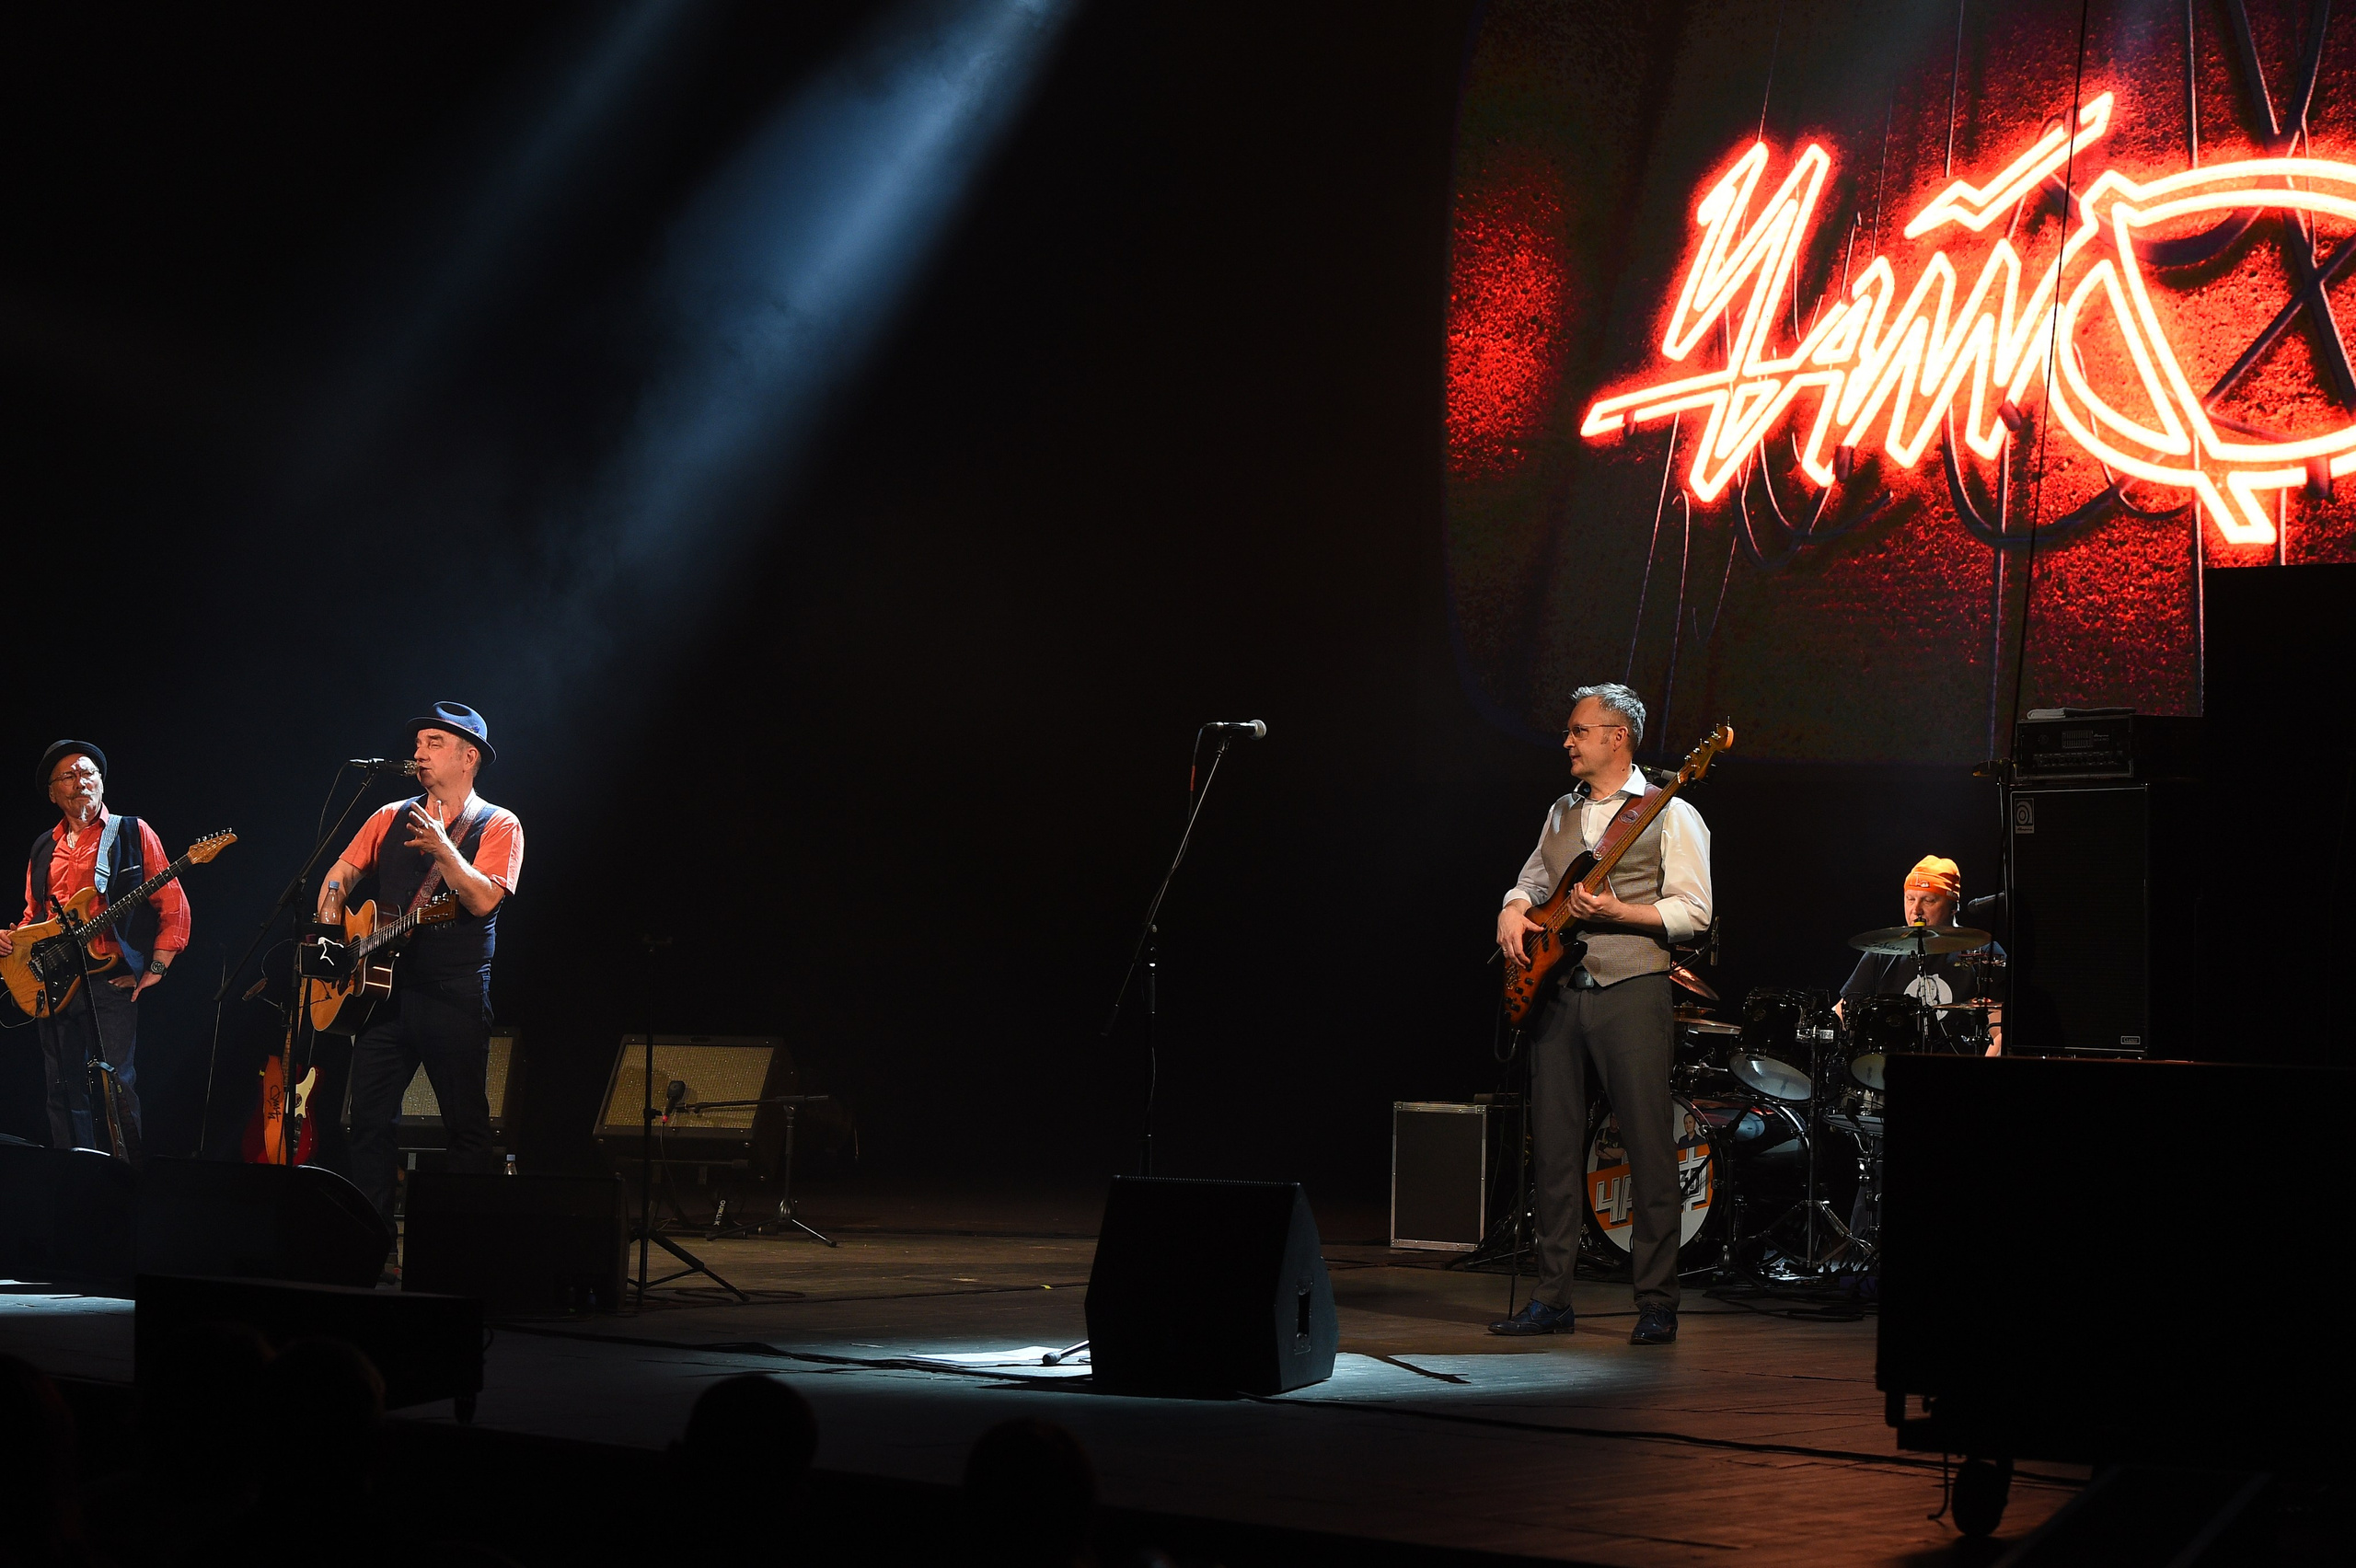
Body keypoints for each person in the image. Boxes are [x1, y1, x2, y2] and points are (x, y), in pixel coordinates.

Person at [1491, 683, 1713, 1345]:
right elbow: (1533, 880)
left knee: (1647, 1147)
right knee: (1555, 1150)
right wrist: (1511, 909)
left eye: (1578, 731)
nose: (1567, 741)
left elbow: (1694, 912)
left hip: (1632, 988)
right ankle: (1551, 1298)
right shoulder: (1561, 811)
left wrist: (1621, 912)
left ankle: (1657, 1302)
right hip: (1558, 993)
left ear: (1618, 738)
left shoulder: (1670, 811)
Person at [319, 703, 523, 1262]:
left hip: (453, 993)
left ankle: (458, 1252)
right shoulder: (389, 815)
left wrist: (443, 849)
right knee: (367, 1123)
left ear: (468, 757)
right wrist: (334, 926)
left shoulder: (500, 824)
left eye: (434, 743)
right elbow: (338, 875)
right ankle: (373, 1249)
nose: (418, 753)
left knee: (465, 1125)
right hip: (382, 997)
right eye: (418, 743)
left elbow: (482, 900)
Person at [0, 741, 190, 1154]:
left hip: (110, 979)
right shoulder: (43, 847)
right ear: (53, 793)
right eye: (68, 776)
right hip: (53, 980)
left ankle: (125, 1173)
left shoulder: (132, 831)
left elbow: (172, 902)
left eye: (88, 773)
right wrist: (13, 940)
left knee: (116, 1084)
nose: (81, 782)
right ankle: (73, 1173)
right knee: (62, 1088)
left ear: (101, 781)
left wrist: (155, 968)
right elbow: (34, 916)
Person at [1837, 855, 2004, 1054]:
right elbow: (1843, 1013)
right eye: (1910, 899)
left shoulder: (1984, 953)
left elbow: (2001, 1033)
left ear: (1953, 907)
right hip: (1891, 1068)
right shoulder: (1882, 952)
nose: (1916, 910)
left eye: (1928, 900)